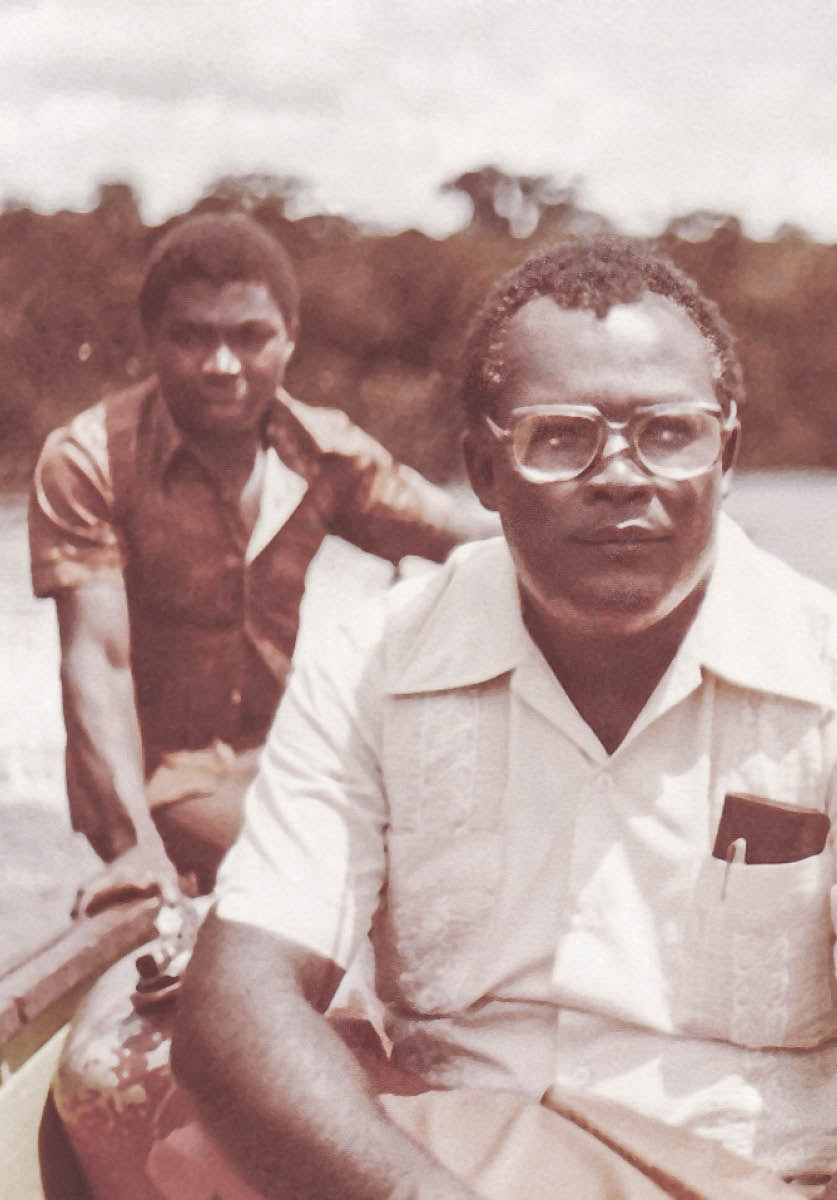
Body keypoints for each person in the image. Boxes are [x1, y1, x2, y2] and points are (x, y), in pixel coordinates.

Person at [169, 237, 837, 1199]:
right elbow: (237, 1002)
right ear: (483, 468)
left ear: (726, 457)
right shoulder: (372, 666)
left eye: (670, 433)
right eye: (559, 437)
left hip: (769, 1179)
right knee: (185, 1145)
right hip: (452, 1164)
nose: (620, 474)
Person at [28, 211, 493, 909]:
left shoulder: (322, 452)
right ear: (153, 338)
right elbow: (98, 660)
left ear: (289, 337)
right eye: (192, 337)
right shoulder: (90, 460)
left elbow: (462, 537)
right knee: (339, 872)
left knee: (462, 842)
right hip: (160, 784)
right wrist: (133, 846)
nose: (222, 365)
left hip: (284, 756)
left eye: (250, 337)